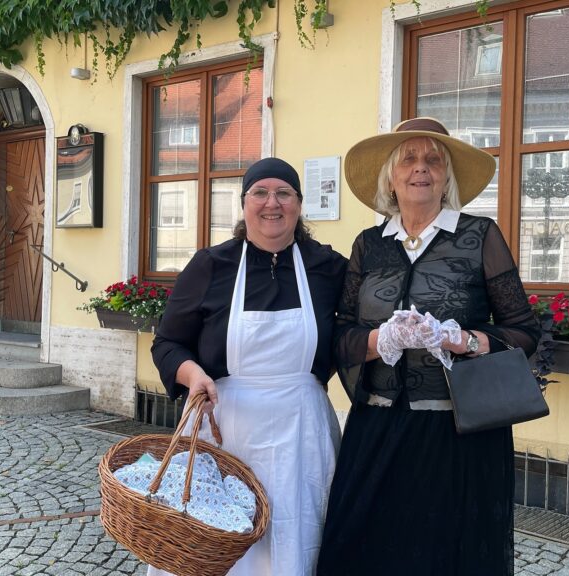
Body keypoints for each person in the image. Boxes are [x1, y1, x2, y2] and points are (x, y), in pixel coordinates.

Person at [317, 118, 541, 575]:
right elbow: (340, 332)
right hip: (378, 425)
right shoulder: (369, 245)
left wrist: (468, 341)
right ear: (390, 179)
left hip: (458, 433)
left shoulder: (479, 236)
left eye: (433, 160)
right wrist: (382, 340)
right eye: (409, 159)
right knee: (365, 551)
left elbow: (523, 329)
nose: (421, 168)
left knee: (448, 556)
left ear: (446, 178)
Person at [151, 157, 347, 576]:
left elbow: (352, 334)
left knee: (294, 541)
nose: (271, 203)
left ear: (299, 204)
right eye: (260, 192)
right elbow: (167, 343)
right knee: (215, 550)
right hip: (224, 429)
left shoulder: (329, 268)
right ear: (243, 204)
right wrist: (193, 375)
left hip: (301, 436)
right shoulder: (211, 266)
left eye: (283, 193)